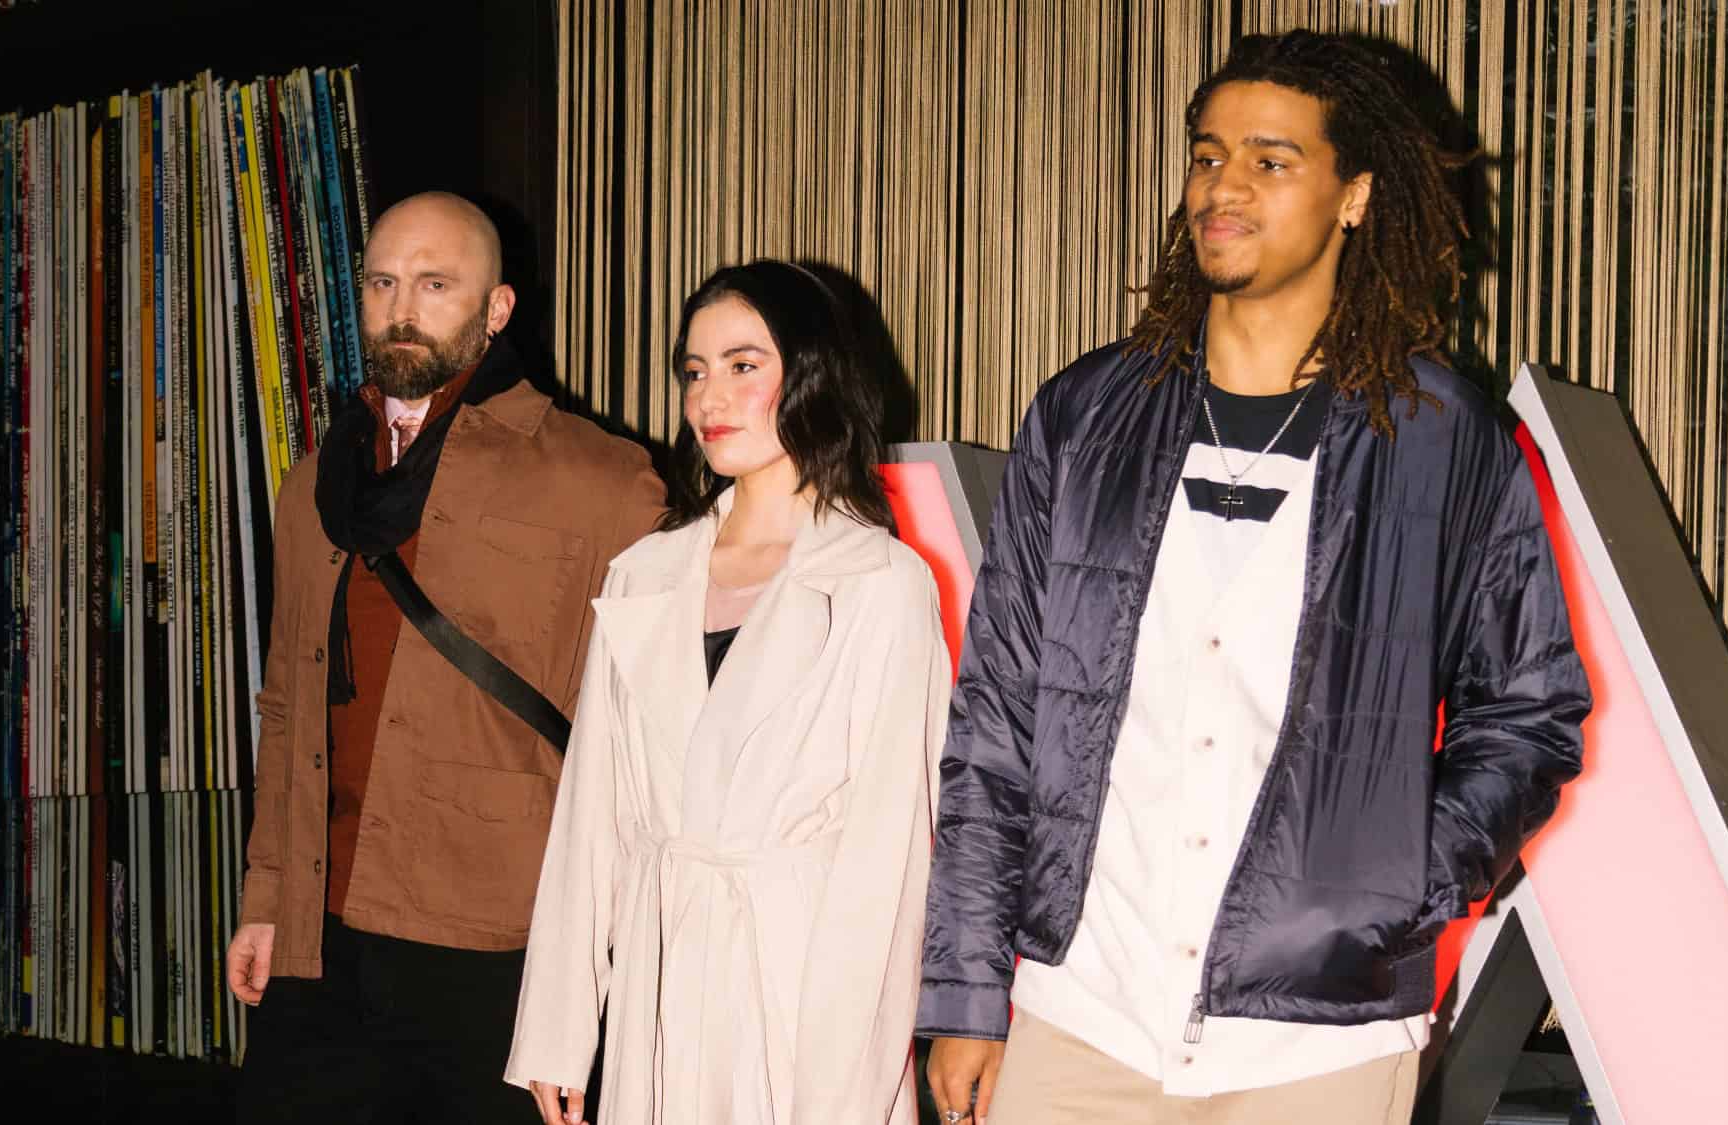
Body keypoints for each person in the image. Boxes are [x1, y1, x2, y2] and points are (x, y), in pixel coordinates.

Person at [917, 30, 1591, 1125]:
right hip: (1081, 1011)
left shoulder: (1440, 437)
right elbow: (995, 719)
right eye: (1205, 153)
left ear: (1354, 197)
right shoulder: (1086, 416)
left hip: (1313, 1042)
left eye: (1270, 160)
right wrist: (963, 992)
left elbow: (1524, 712)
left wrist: (1388, 892)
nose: (1222, 185)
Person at [225, 191, 666, 1123]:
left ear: (497, 308)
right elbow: (284, 703)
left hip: (499, 942)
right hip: (321, 932)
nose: (403, 307)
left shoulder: (603, 480)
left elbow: (649, 740)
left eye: (435, 283)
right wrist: (266, 895)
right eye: (383, 282)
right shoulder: (317, 478)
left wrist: (607, 968)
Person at [506, 259, 949, 1125]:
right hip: (660, 978)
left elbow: (892, 860)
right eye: (695, 371)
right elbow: (591, 818)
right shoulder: (645, 573)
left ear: (813, 374)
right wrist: (559, 1027)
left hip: (804, 989)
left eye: (744, 365)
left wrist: (847, 1084)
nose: (711, 396)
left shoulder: (881, 580)